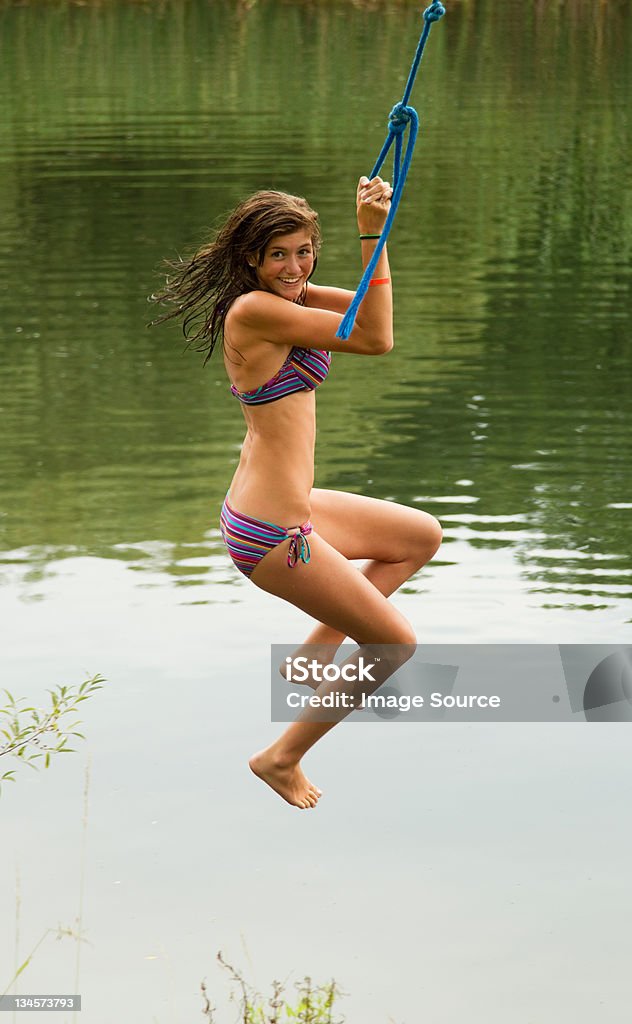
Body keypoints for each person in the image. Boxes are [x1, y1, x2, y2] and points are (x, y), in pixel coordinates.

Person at [153, 176, 442, 809]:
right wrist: (371, 230)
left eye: (305, 250)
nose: (294, 266)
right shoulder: (255, 310)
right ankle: (281, 757)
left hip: (294, 507)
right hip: (272, 532)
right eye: (278, 254)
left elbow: (375, 316)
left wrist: (377, 232)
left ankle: (313, 653)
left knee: (419, 537)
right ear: (250, 259)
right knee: (395, 643)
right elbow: (374, 339)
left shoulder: (291, 297)